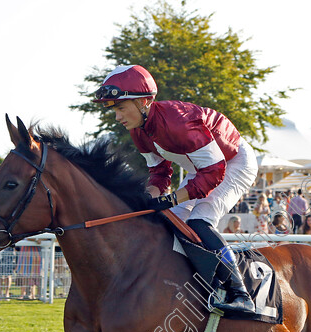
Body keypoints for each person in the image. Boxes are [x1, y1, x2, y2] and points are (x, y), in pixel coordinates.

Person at [93, 64, 258, 314]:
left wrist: (172, 198)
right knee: (167, 224)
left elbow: (215, 172)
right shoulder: (139, 131)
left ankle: (240, 292)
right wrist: (149, 198)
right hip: (201, 169)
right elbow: (160, 174)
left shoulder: (178, 122)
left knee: (200, 221)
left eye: (120, 107)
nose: (117, 116)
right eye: (114, 110)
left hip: (233, 163)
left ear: (144, 101)